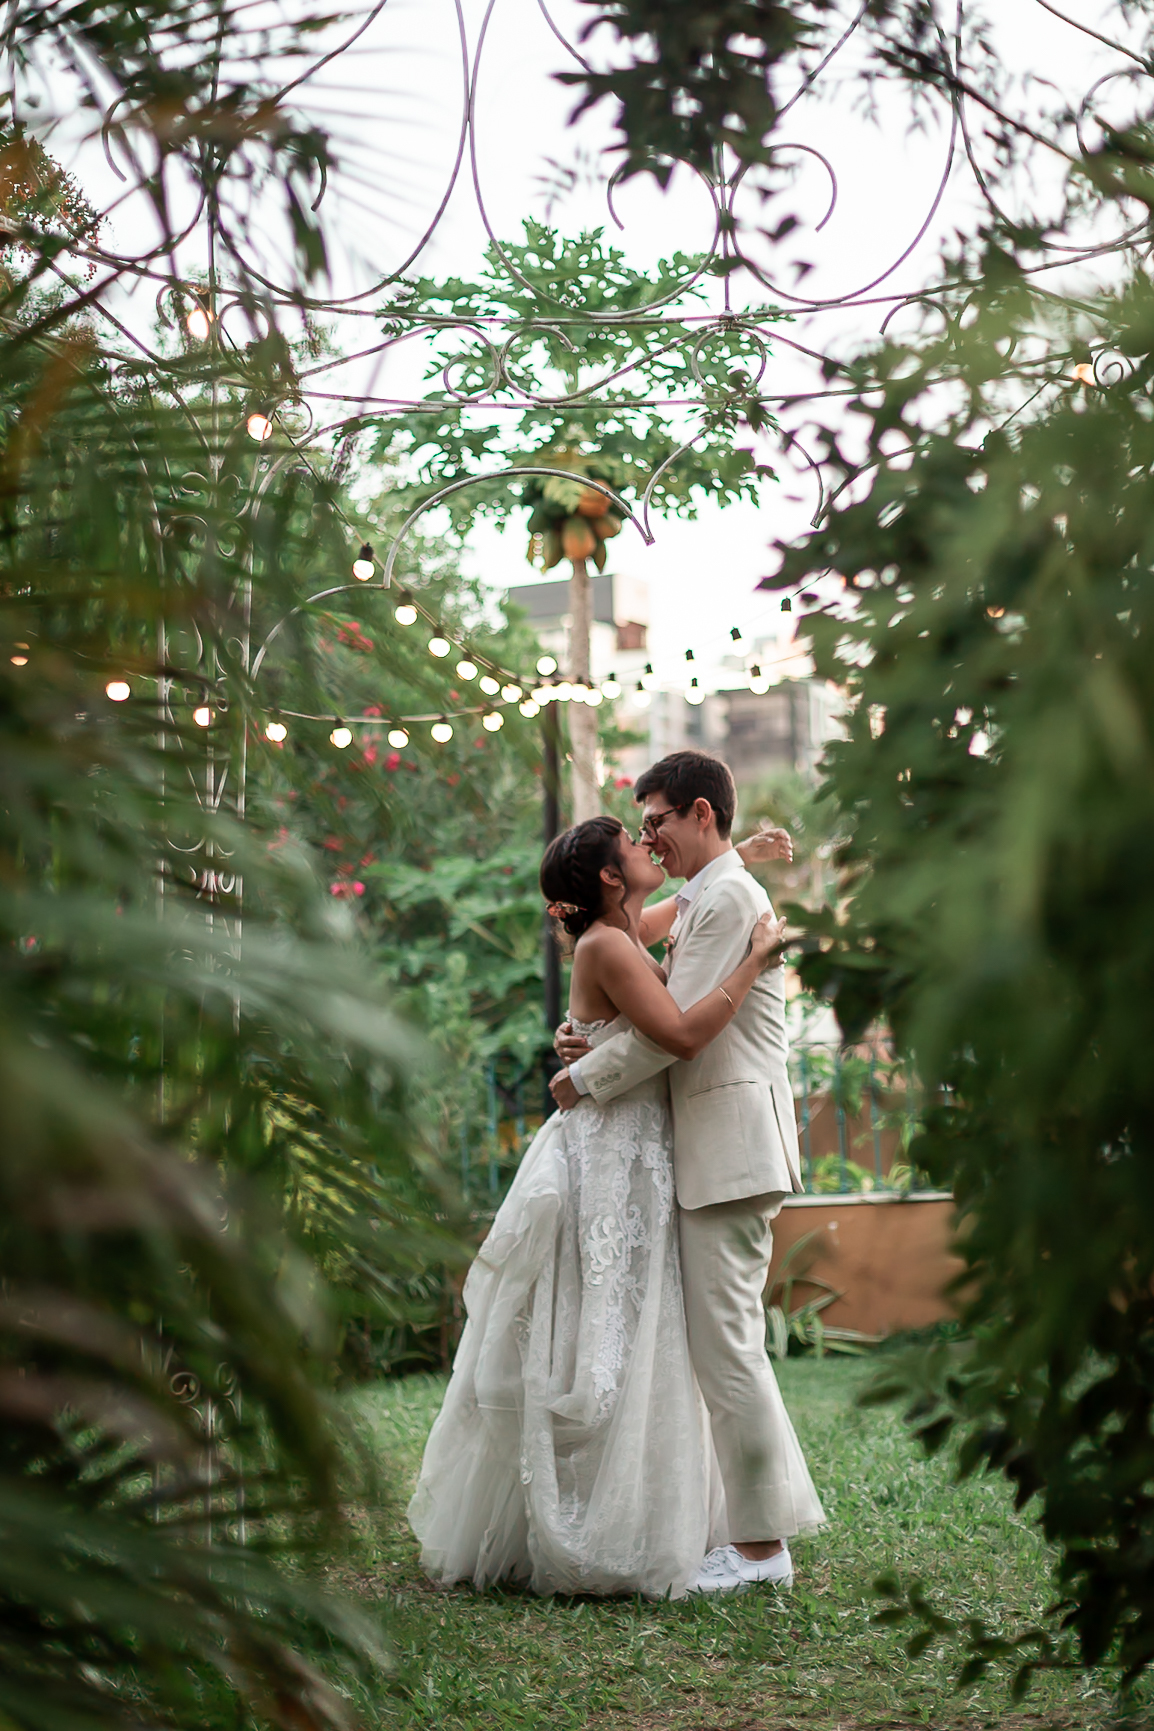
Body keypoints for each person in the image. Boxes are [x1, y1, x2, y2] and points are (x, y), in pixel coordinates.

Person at [407, 809, 819, 1599]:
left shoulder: (625, 928)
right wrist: (755, 960)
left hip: (638, 1147)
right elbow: (680, 1032)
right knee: (603, 1334)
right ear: (607, 876)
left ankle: (671, 1515)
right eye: (634, 842)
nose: (646, 843)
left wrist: (747, 852)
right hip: (611, 1156)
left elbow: (685, 907)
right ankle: (603, 1514)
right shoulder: (607, 943)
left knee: (638, 1332)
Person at [551, 750, 825, 1595]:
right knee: (723, 1348)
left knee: (730, 1349)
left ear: (702, 813)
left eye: (659, 819)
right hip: (711, 1149)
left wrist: (582, 1072)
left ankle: (758, 1548)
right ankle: (748, 1536)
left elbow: (679, 1028)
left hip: (731, 1149)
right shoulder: (713, 891)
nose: (650, 836)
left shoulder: (732, 896)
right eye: (641, 826)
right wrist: (587, 1037)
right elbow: (648, 983)